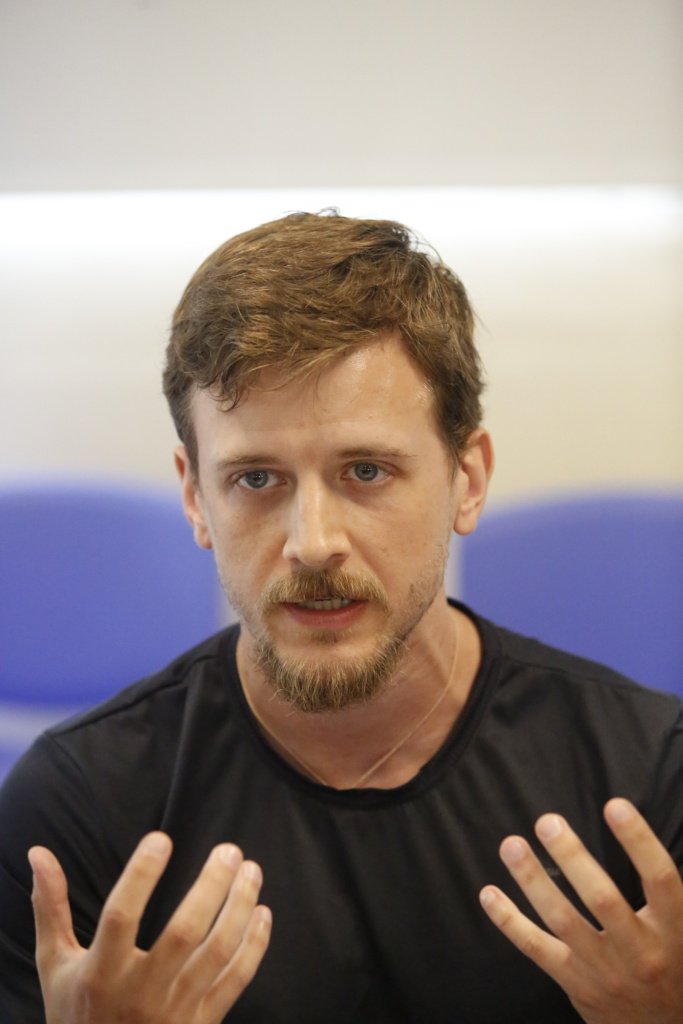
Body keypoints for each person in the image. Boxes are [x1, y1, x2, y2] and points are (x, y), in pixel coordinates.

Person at [0, 211, 681, 1024]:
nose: (312, 544)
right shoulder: (77, 807)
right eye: (256, 479)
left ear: (466, 480)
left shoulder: (648, 778)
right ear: (195, 497)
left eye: (365, 471)